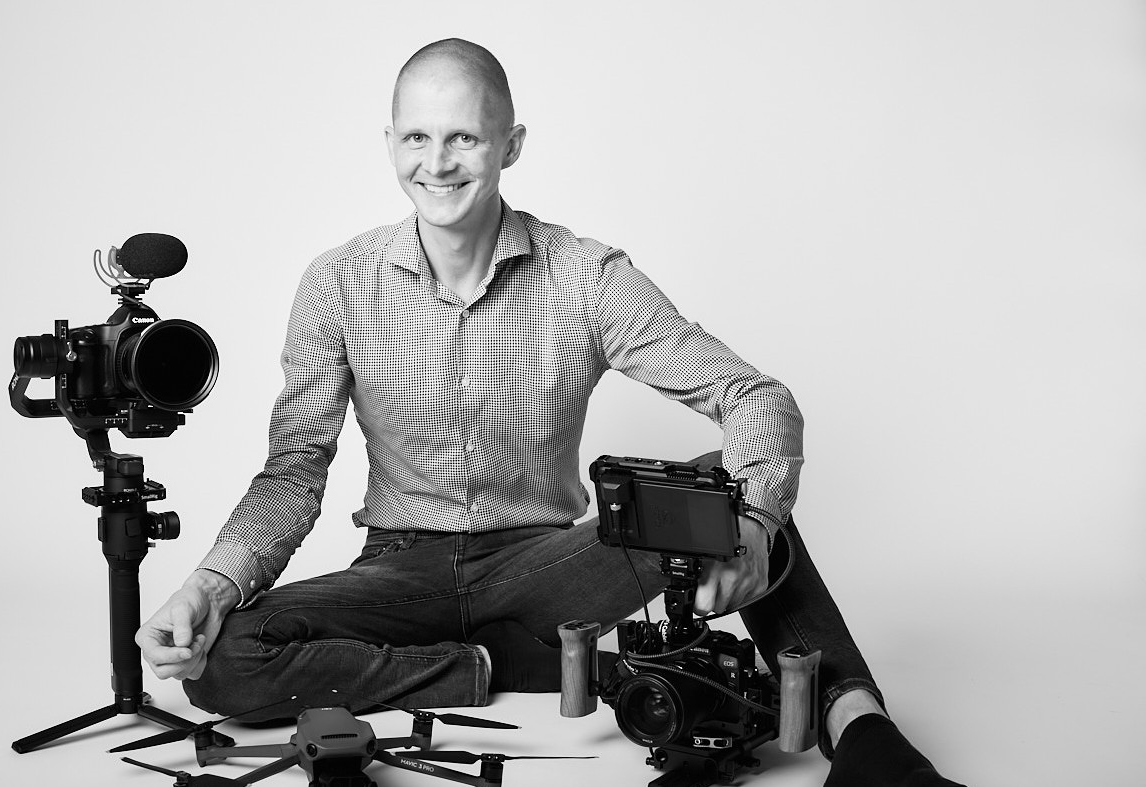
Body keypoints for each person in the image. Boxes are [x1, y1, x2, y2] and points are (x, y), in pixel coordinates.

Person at [136, 38, 962, 787]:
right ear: (389, 145)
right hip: (397, 572)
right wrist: (213, 580)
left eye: (463, 136)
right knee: (222, 663)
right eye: (417, 138)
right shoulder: (336, 284)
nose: (438, 161)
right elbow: (293, 471)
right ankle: (501, 665)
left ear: (510, 145)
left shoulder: (587, 277)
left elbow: (754, 397)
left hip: (546, 567)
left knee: (729, 495)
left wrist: (749, 517)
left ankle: (862, 734)